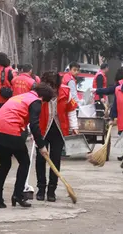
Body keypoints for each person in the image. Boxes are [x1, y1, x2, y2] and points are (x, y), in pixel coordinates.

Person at [0, 83, 54, 209]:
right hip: (10, 132)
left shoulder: (20, 97)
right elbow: (34, 124)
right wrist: (42, 146)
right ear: (44, 98)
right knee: (25, 162)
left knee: (5, 164)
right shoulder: (36, 101)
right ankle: (18, 195)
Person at [36, 71, 79, 202]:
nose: (51, 89)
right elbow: (31, 111)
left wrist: (74, 127)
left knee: (55, 159)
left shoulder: (66, 91)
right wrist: (31, 129)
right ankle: (41, 188)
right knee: (40, 160)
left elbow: (71, 110)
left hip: (59, 130)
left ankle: (51, 190)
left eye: (53, 85)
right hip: (42, 129)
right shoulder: (39, 92)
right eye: (49, 85)